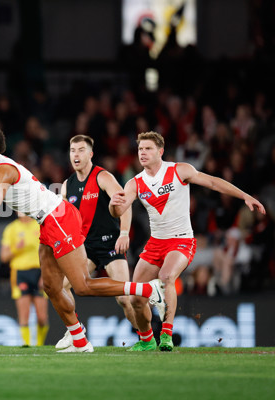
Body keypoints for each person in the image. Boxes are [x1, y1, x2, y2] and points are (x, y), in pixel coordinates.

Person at [0, 124, 166, 353]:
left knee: (82, 286)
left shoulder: (3, 170)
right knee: (51, 287)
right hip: (47, 221)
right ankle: (79, 340)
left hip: (58, 218)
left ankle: (147, 291)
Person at [110, 131, 265, 351]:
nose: (142, 153)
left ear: (160, 151)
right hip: (155, 243)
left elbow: (212, 182)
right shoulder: (135, 183)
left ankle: (166, 334)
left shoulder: (179, 170)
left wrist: (245, 196)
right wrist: (112, 205)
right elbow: (118, 211)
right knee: (135, 297)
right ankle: (146, 340)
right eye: (140, 149)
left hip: (181, 241)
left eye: (148, 149)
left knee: (166, 276)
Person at [55, 135, 137, 349]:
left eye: (81, 150)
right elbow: (65, 220)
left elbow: (124, 204)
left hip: (110, 244)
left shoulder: (103, 177)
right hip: (85, 248)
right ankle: (75, 329)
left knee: (124, 300)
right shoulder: (66, 186)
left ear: (90, 154)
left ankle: (145, 336)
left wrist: (124, 233)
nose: (76, 155)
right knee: (59, 287)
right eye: (73, 150)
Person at [0, 212, 49, 347]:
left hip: (39, 272)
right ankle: (26, 344)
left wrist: (45, 274)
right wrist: (17, 248)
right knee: (24, 314)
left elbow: (48, 252)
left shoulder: (39, 226)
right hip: (20, 272)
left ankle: (39, 344)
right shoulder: (11, 228)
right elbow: (4, 257)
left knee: (42, 317)